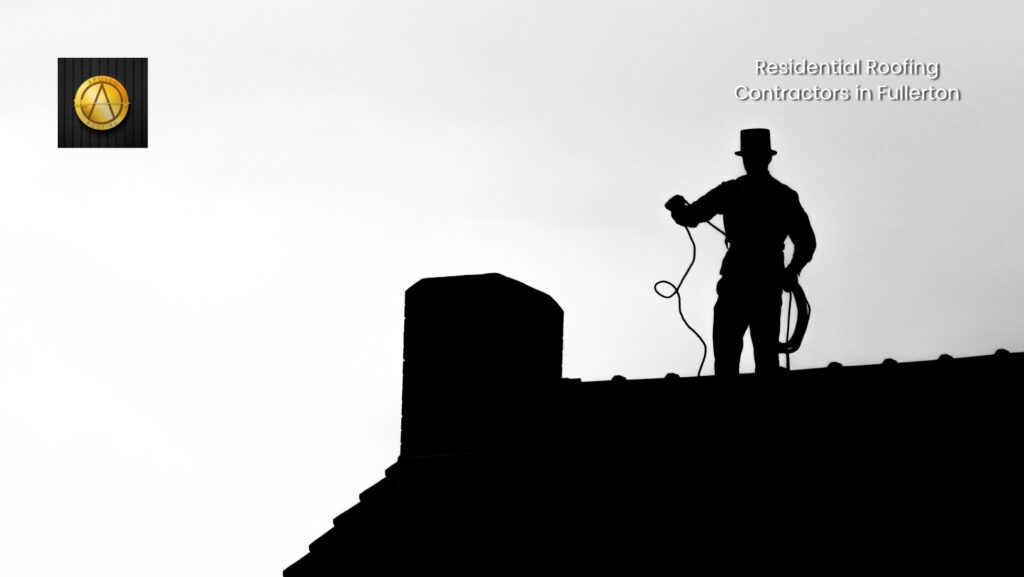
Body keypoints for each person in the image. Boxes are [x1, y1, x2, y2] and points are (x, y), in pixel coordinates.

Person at [665, 128, 816, 375]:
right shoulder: (781, 195)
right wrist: (792, 271)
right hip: (763, 281)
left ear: (762, 159)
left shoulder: (736, 191)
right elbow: (806, 242)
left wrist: (677, 210)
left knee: (733, 353)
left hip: (744, 280)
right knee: (754, 353)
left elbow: (690, 216)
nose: (750, 162)